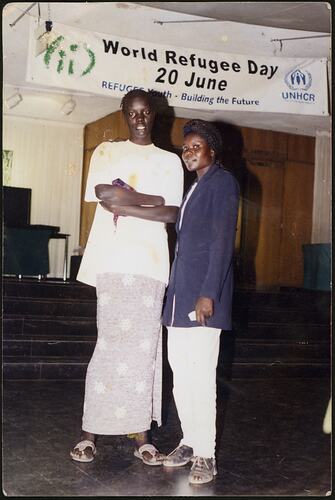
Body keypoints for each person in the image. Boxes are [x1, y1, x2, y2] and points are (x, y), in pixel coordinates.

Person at [70, 89, 184, 465]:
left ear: (154, 115)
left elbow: (172, 214)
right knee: (108, 345)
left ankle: (143, 438)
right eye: (132, 112)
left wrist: (131, 198)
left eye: (145, 112)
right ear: (123, 114)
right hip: (113, 260)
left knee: (144, 351)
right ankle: (89, 433)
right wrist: (151, 200)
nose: (138, 118)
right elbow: (104, 194)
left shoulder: (169, 160)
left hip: (150, 265)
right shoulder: (107, 152)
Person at [162, 119, 240, 484]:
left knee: (201, 377)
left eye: (196, 147)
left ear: (212, 150)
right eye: (186, 147)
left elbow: (223, 244)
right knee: (181, 377)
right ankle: (190, 441)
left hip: (202, 299)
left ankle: (206, 454)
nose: (188, 152)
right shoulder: (194, 187)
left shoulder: (222, 183)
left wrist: (208, 293)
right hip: (179, 301)